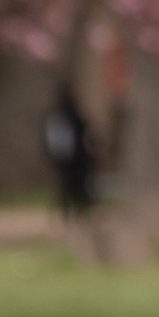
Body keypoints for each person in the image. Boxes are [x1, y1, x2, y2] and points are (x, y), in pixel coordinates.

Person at [43, 89, 98, 220]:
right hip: (75, 158)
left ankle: (69, 210)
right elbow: (85, 136)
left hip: (62, 158)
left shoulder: (56, 118)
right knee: (76, 184)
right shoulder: (74, 117)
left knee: (67, 185)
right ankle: (78, 210)